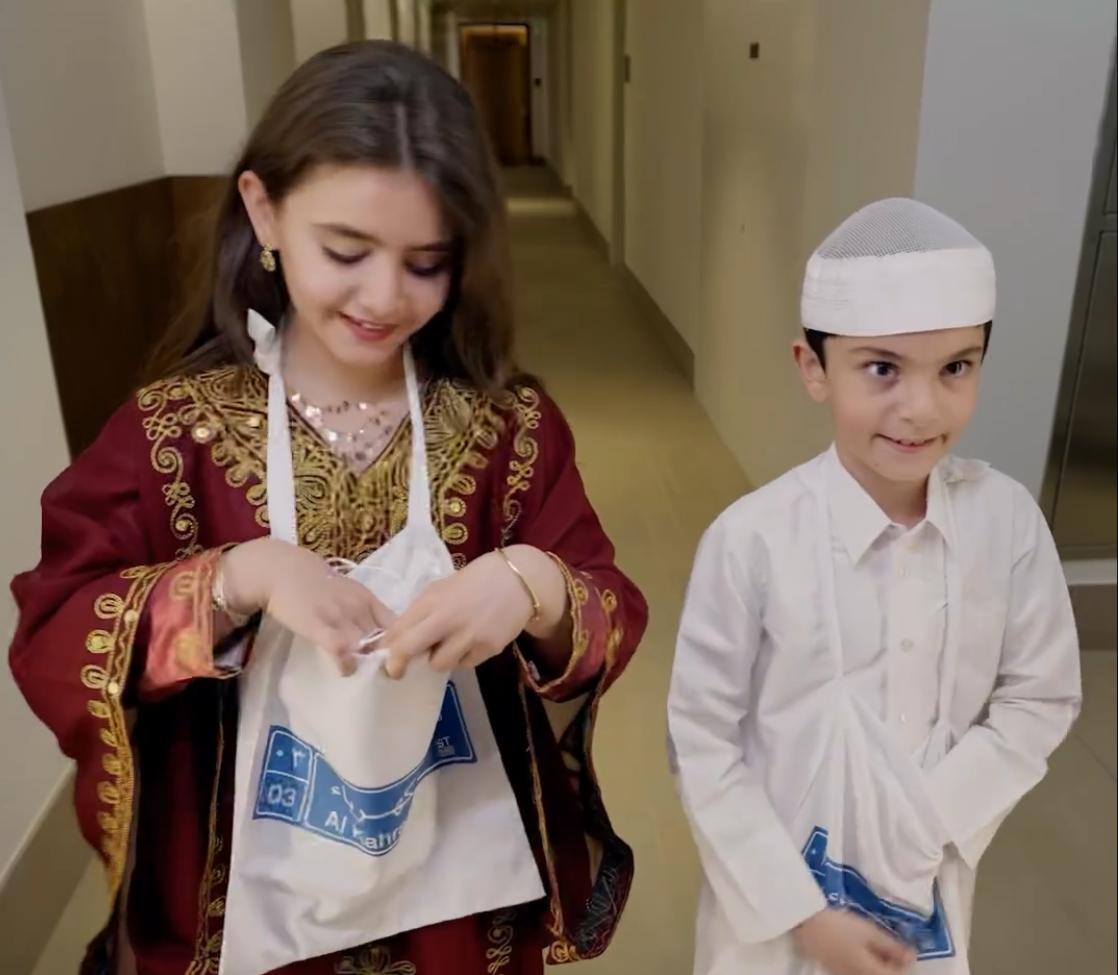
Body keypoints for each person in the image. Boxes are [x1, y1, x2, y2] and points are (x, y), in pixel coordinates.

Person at [10, 41, 646, 975]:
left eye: (427, 262)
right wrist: (232, 578)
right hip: (240, 889)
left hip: (455, 892)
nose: (384, 296)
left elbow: (609, 603)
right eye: (345, 251)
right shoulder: (172, 435)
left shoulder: (507, 429)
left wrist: (532, 584)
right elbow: (57, 625)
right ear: (263, 211)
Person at [667, 198, 1081, 975]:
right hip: (774, 906)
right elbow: (703, 742)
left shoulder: (1008, 523)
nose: (920, 408)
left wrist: (927, 820)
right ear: (813, 368)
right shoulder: (752, 540)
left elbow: (1041, 696)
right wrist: (801, 909)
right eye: (882, 368)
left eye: (955, 367)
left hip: (925, 888)